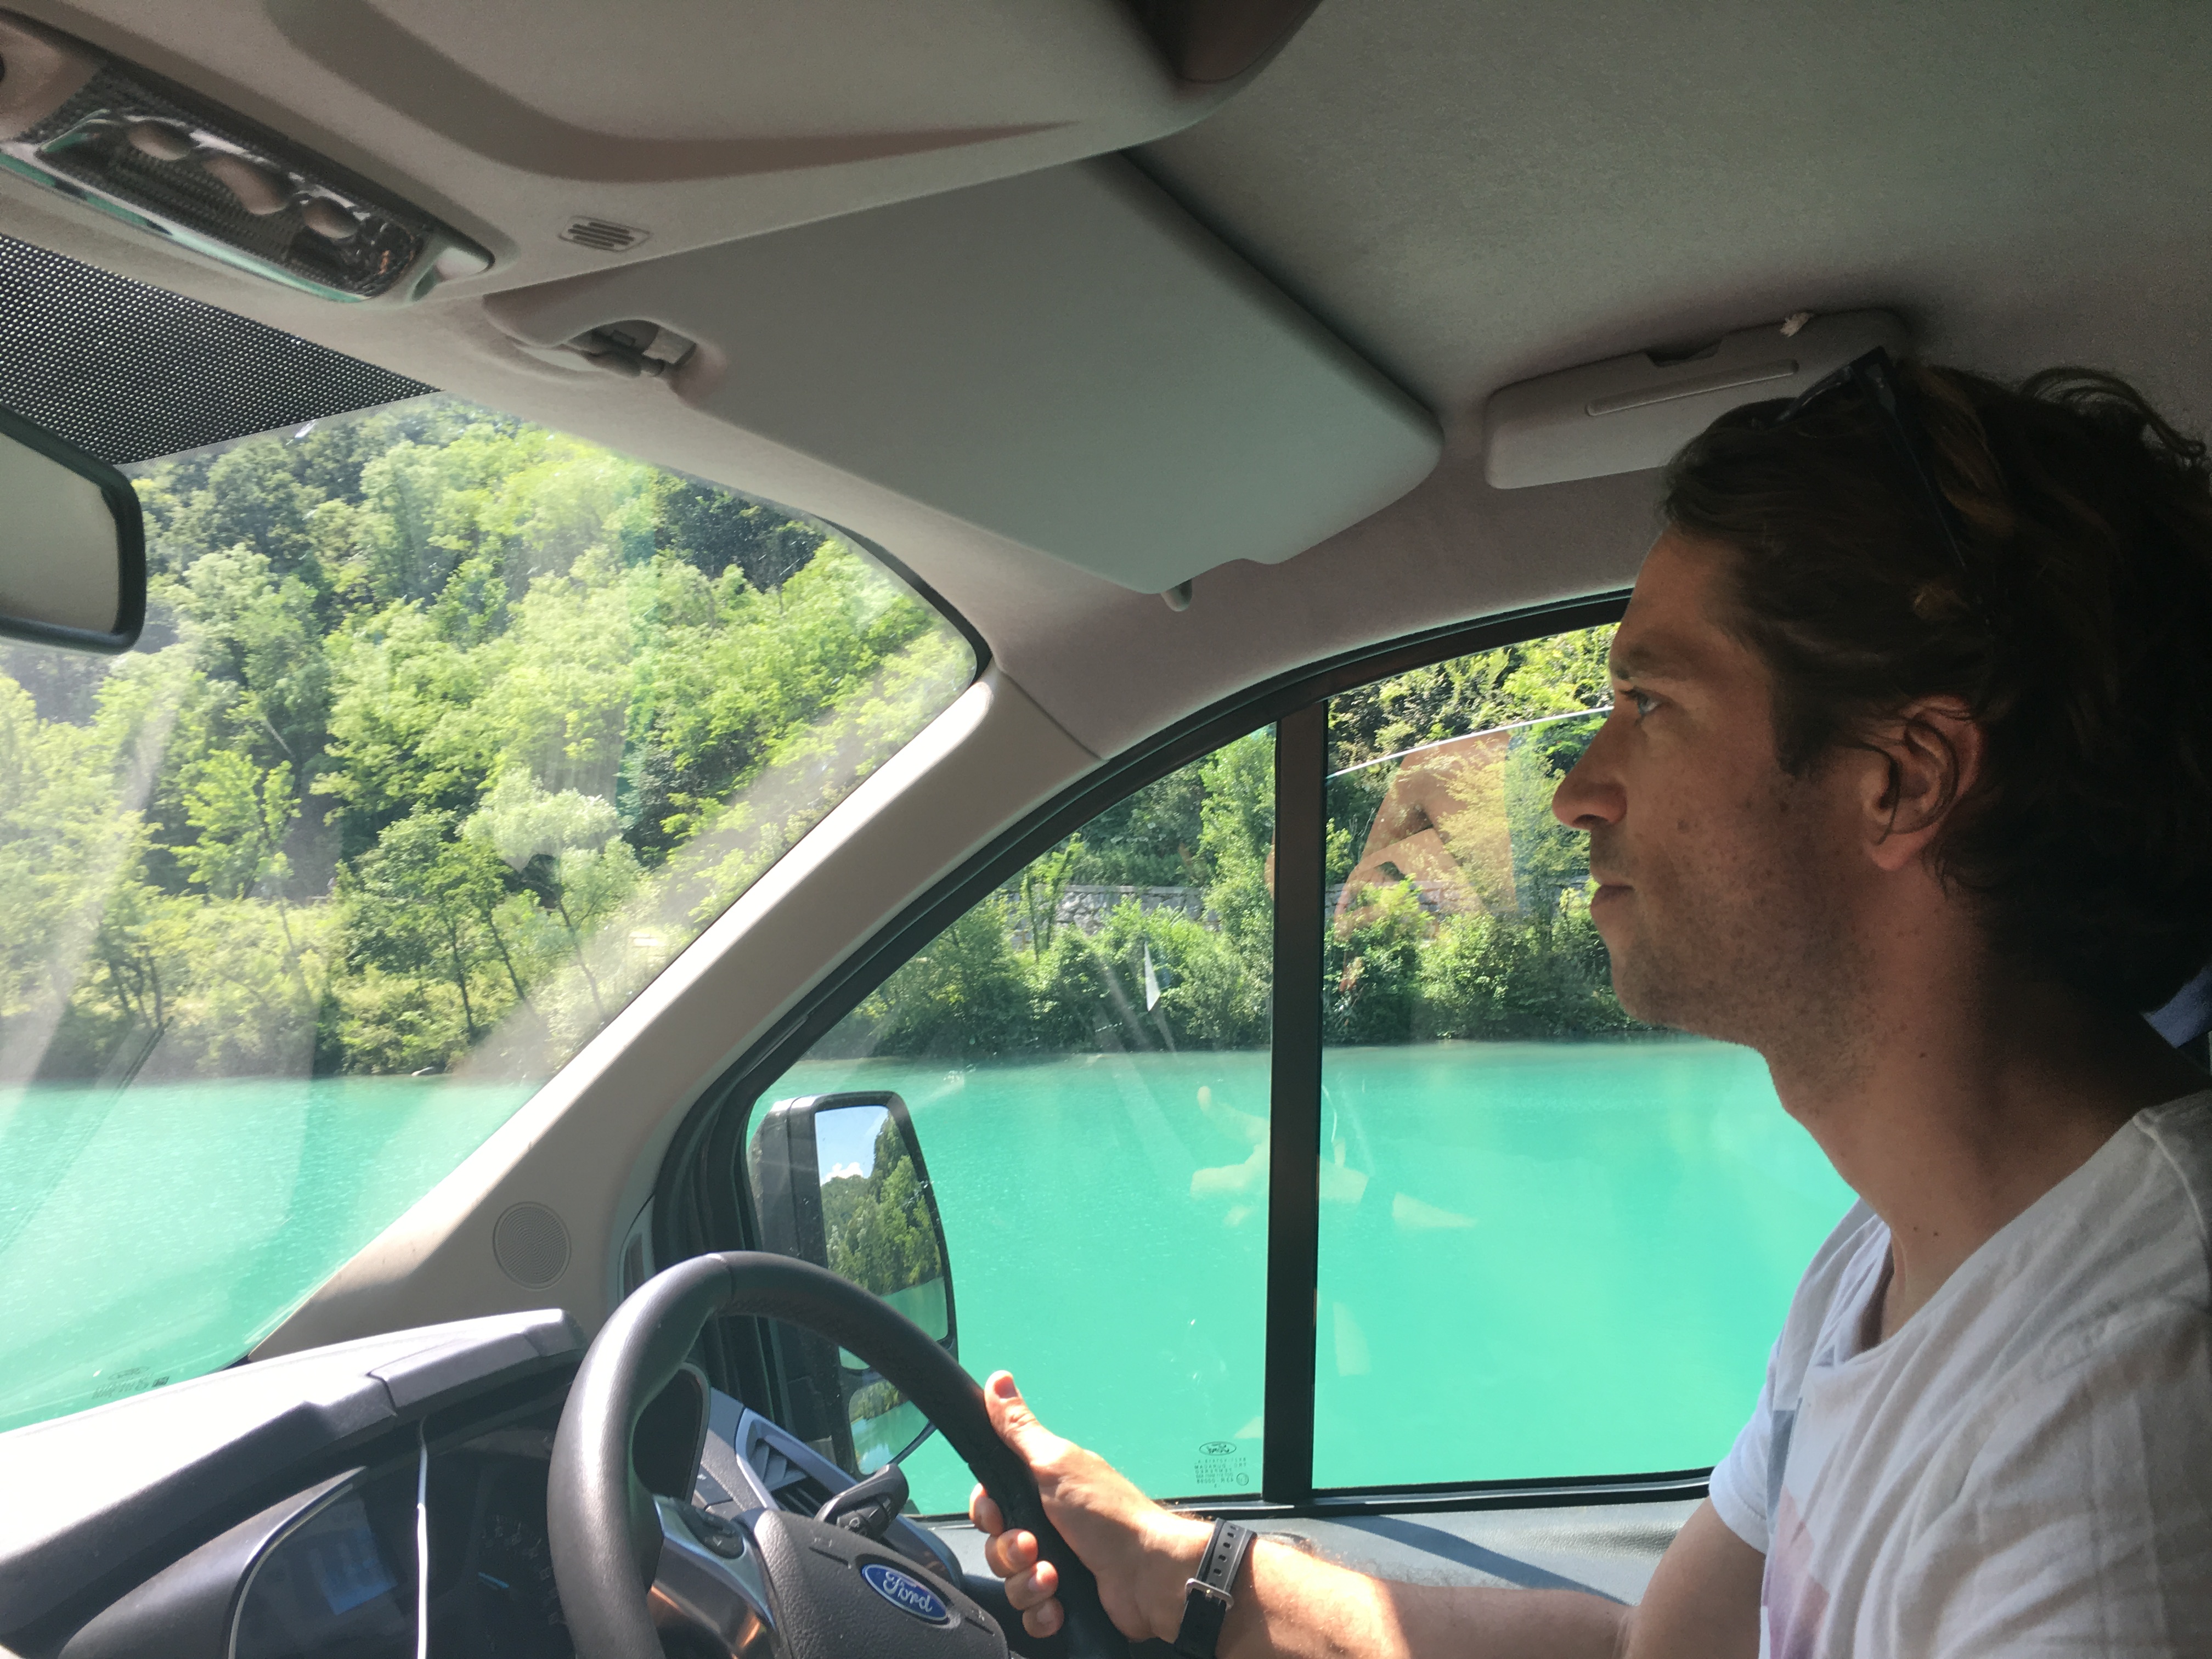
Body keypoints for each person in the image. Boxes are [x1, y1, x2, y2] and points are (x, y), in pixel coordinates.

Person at [966, 353, 2212, 1657]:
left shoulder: (2120, 1447)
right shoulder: (1895, 1261)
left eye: (1652, 704)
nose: (1574, 792)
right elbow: (1652, 1655)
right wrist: (1181, 1574)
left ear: (1902, 780)